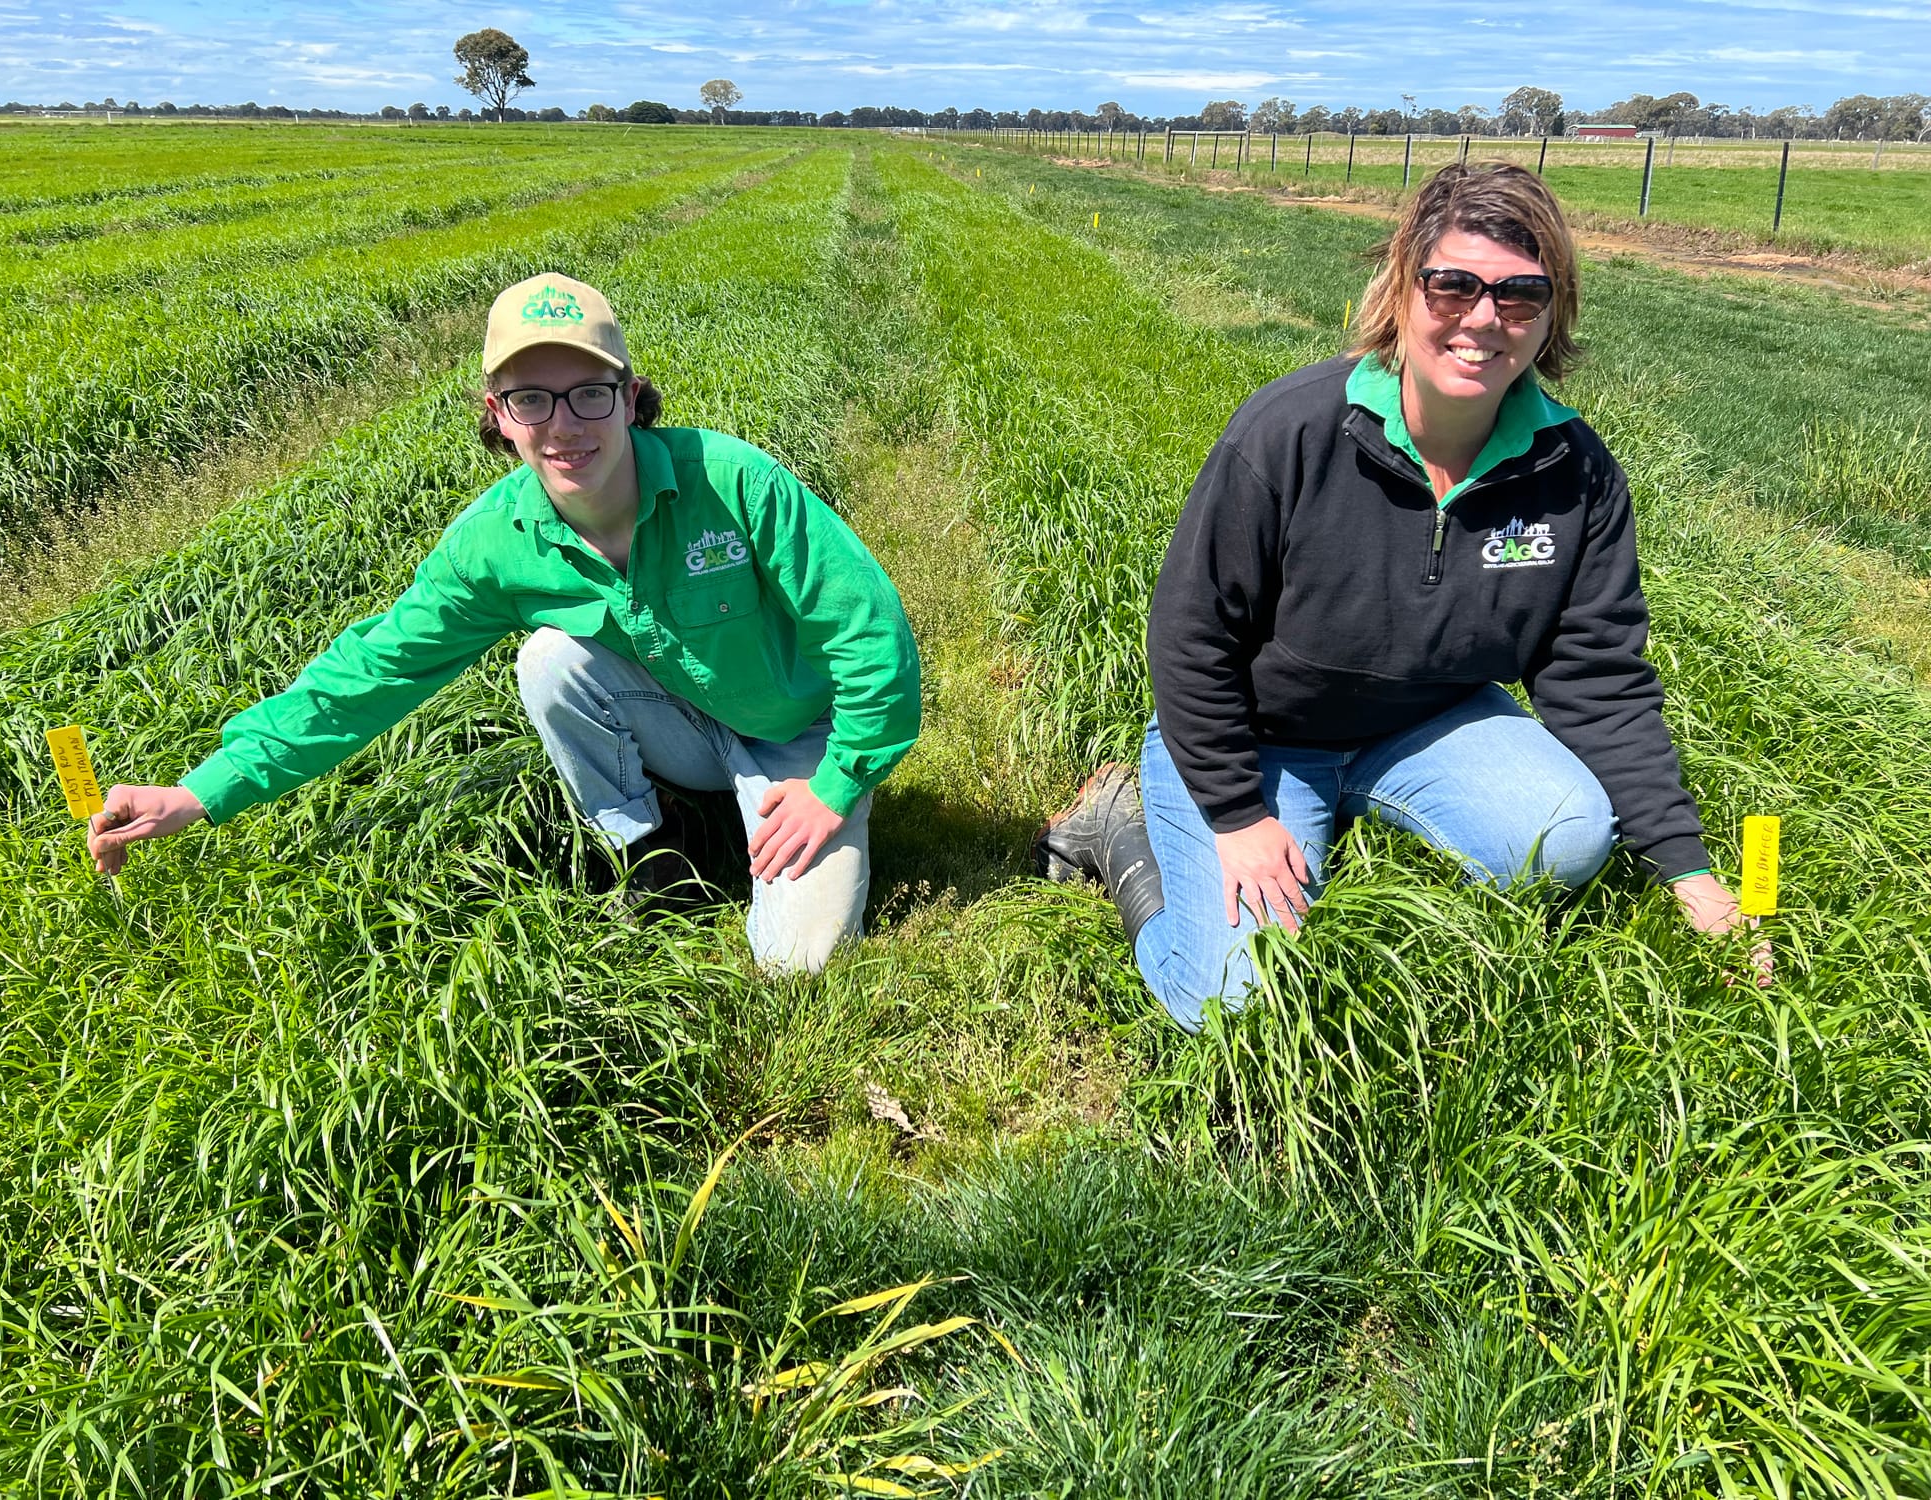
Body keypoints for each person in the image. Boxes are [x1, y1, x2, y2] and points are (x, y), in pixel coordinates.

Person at [1035, 163, 1766, 1029]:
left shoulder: (1575, 473)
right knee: (1228, 1003)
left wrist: (1688, 872)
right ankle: (1123, 828)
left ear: (1551, 312)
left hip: (1428, 724)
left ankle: (1346, 813)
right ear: (1403, 287)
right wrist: (1237, 816)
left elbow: (1599, 677)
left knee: (1569, 833)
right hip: (1263, 737)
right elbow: (1193, 636)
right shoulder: (1291, 431)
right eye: (1453, 284)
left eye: (1521, 294)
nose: (1484, 318)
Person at [88, 272, 921, 974]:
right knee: (549, 659)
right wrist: (200, 791)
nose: (563, 426)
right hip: (676, 724)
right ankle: (652, 855)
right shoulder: (494, 544)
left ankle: (780, 819)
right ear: (498, 413)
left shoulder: (735, 482)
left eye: (589, 394)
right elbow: (370, 675)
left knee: (801, 965)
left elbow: (871, 633)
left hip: (797, 736)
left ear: (631, 399)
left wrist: (837, 785)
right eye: (532, 400)